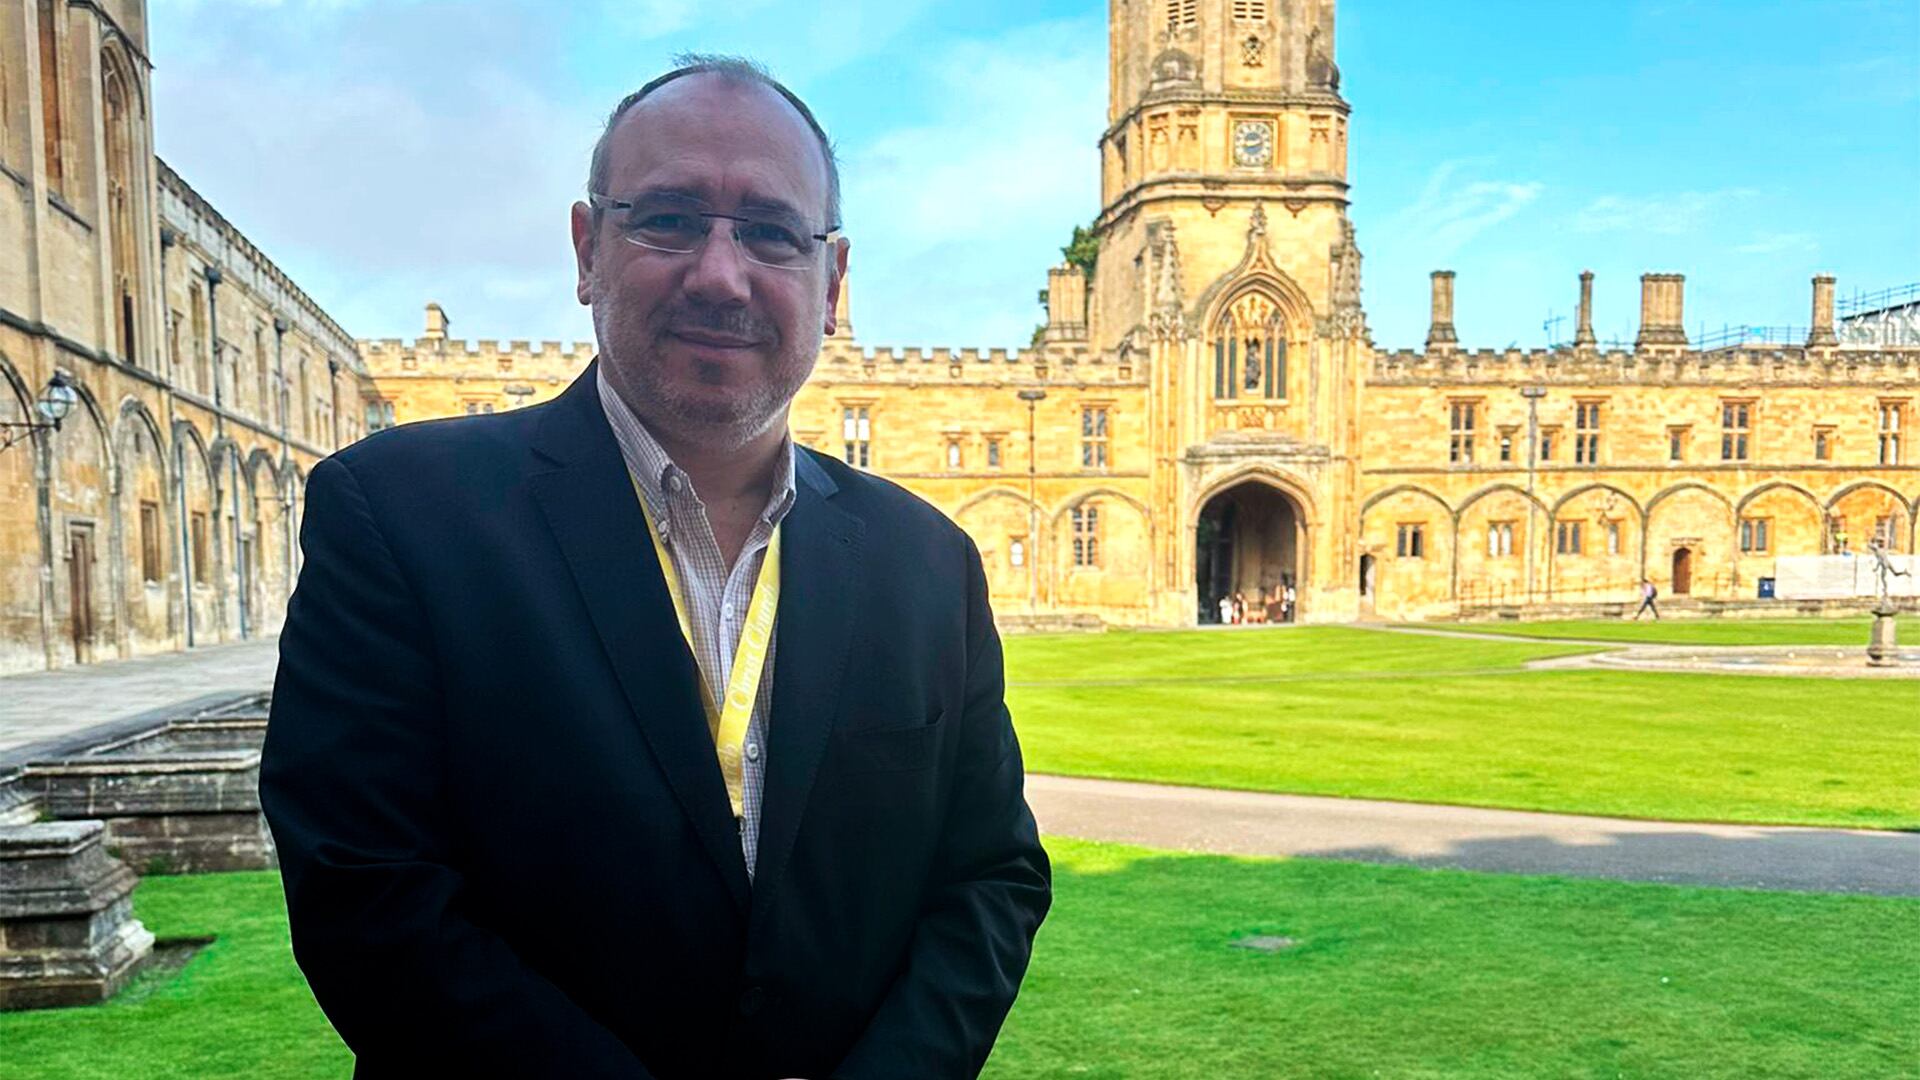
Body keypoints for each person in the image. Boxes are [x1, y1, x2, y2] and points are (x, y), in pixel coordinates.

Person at [261, 56, 1050, 1080]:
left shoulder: (928, 559)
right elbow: (365, 894)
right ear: (588, 250)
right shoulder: (402, 513)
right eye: (669, 218)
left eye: (770, 231)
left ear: (833, 281)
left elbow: (990, 874)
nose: (721, 275)